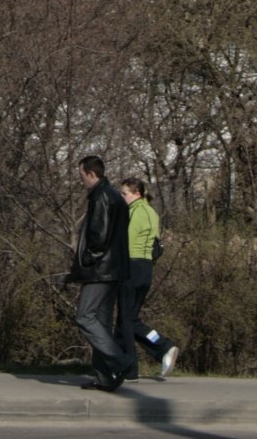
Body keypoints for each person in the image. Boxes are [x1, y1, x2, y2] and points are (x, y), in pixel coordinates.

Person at [64, 154, 135, 392]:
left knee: (84, 316)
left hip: (101, 270)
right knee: (101, 322)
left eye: (81, 175)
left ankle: (121, 361)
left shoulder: (102, 196)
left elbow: (98, 237)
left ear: (91, 174)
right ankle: (105, 377)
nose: (80, 179)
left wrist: (86, 260)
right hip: (114, 270)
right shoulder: (115, 195)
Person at [116, 177, 179, 379]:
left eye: (124, 194)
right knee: (130, 319)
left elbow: (126, 240)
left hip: (132, 266)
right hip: (145, 268)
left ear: (137, 194)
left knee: (126, 321)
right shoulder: (151, 212)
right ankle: (160, 347)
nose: (122, 197)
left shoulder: (136, 212)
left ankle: (134, 364)